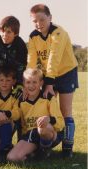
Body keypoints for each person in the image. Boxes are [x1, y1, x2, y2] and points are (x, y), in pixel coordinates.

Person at [27, 4, 78, 158]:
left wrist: (49, 83)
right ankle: (46, 145)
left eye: (42, 19)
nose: (39, 24)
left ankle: (67, 148)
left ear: (50, 17)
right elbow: (31, 60)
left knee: (65, 111)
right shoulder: (33, 36)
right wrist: (28, 81)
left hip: (66, 72)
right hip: (48, 75)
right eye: (35, 21)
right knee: (47, 110)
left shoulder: (58, 32)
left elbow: (53, 58)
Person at [7, 68, 64, 162]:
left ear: (41, 83)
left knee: (42, 126)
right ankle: (34, 154)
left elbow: (60, 123)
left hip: (51, 133)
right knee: (11, 158)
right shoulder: (21, 100)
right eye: (28, 82)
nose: (31, 85)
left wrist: (49, 119)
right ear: (24, 83)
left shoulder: (48, 97)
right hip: (30, 135)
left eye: (35, 82)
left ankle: (43, 152)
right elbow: (18, 121)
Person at [0, 16, 27, 98]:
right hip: (1, 72)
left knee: (18, 96)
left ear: (15, 33)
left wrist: (19, 85)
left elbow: (21, 66)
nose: (5, 35)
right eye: (3, 31)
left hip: (15, 73)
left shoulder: (20, 44)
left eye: (9, 32)